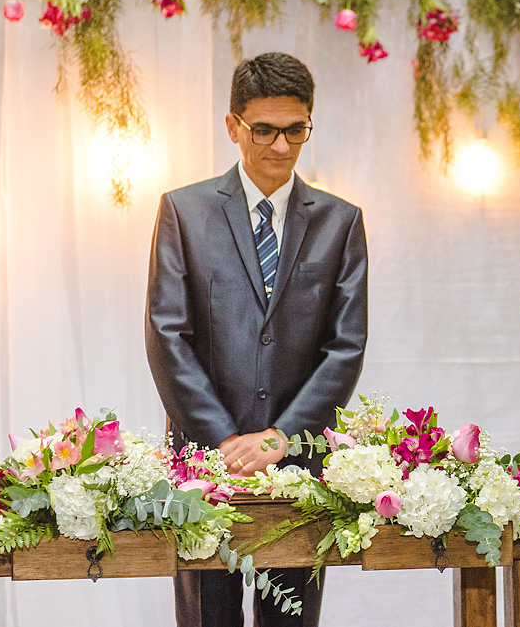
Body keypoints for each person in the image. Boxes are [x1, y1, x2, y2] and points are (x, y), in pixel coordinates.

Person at [145, 51, 367, 627]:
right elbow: (168, 335)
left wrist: (281, 438)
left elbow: (346, 346)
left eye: (296, 131)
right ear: (233, 126)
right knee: (206, 617)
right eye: (263, 130)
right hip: (203, 462)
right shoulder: (183, 211)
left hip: (298, 467)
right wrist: (223, 440)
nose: (280, 147)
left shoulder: (341, 221)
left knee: (291, 620)